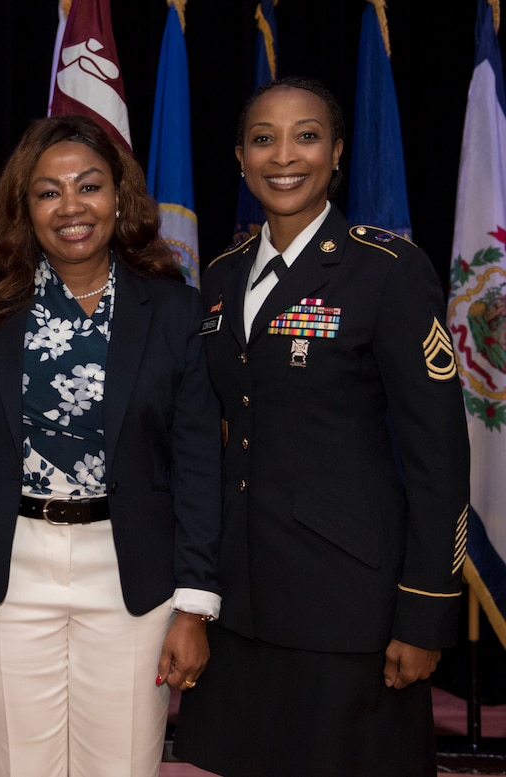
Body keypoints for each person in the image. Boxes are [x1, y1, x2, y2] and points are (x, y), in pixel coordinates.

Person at [173, 77, 470, 777]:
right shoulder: (219, 277)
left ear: (336, 152)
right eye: (263, 138)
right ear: (239, 158)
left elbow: (439, 455)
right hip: (243, 599)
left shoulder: (385, 270)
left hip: (348, 605)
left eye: (306, 135)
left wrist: (424, 611)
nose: (285, 155)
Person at [0, 114, 223, 777]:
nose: (71, 207)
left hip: (131, 573)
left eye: (88, 186)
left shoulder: (173, 311)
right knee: (17, 765)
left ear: (120, 195)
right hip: (8, 569)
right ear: (23, 208)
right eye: (48, 191)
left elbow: (199, 462)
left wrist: (195, 603)